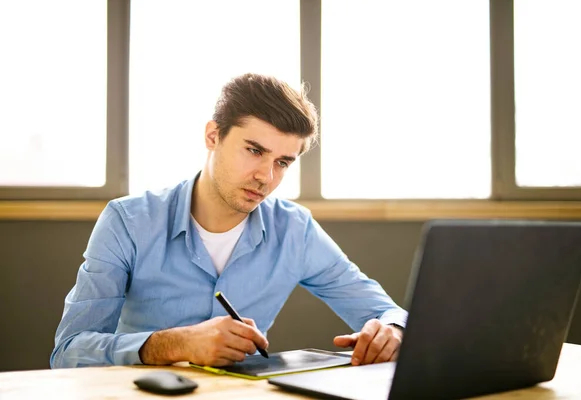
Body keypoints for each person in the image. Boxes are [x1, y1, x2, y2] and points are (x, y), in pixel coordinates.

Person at [50, 73, 408, 369]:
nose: (266, 177)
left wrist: (392, 329)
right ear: (213, 136)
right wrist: (175, 343)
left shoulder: (295, 229)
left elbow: (386, 311)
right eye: (254, 150)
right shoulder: (127, 221)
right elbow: (69, 352)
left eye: (283, 162)